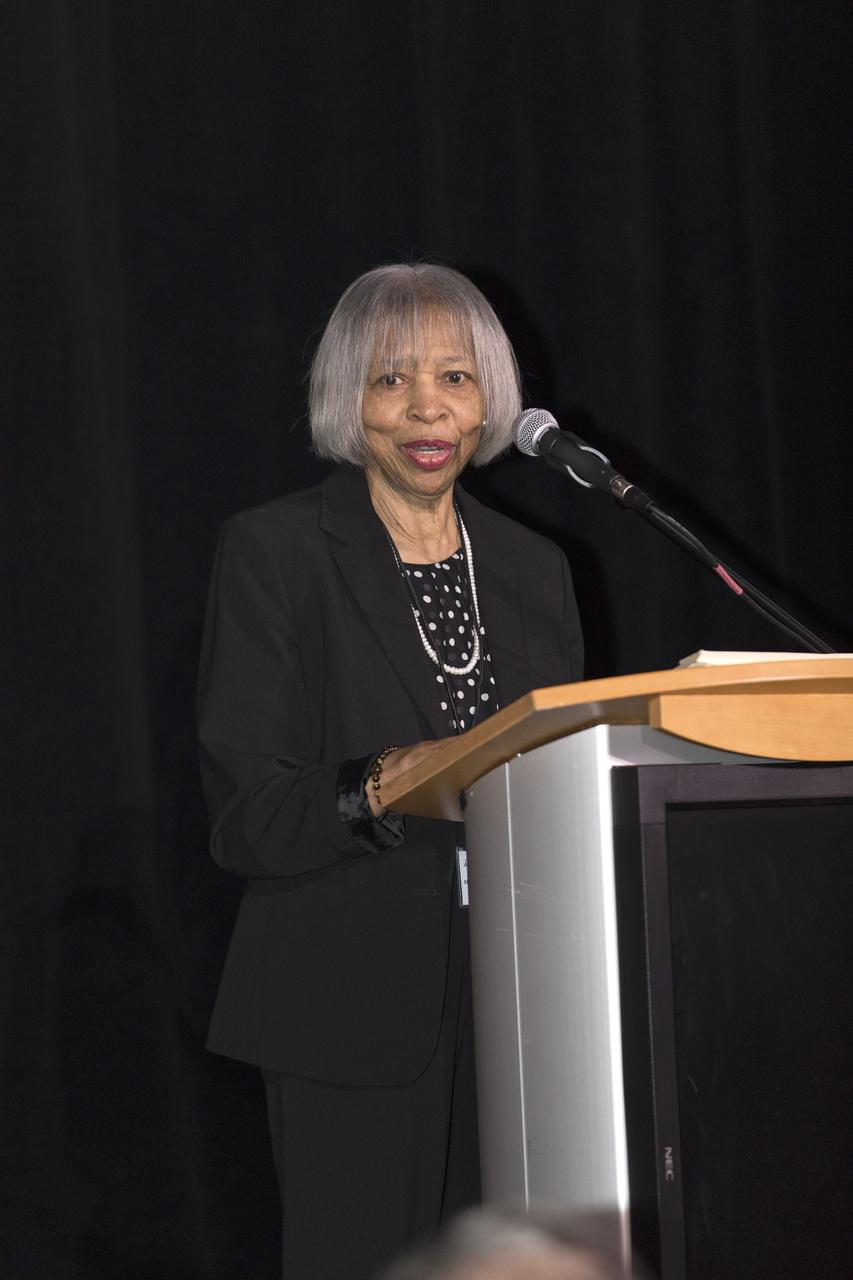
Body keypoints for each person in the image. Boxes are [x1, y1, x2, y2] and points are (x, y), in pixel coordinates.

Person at [197, 262, 584, 1280]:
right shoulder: (278, 552)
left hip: (526, 1008)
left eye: (455, 377)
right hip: (350, 1006)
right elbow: (245, 813)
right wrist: (381, 779)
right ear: (348, 399)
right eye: (390, 379)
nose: (426, 408)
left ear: (490, 399)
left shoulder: (533, 568)